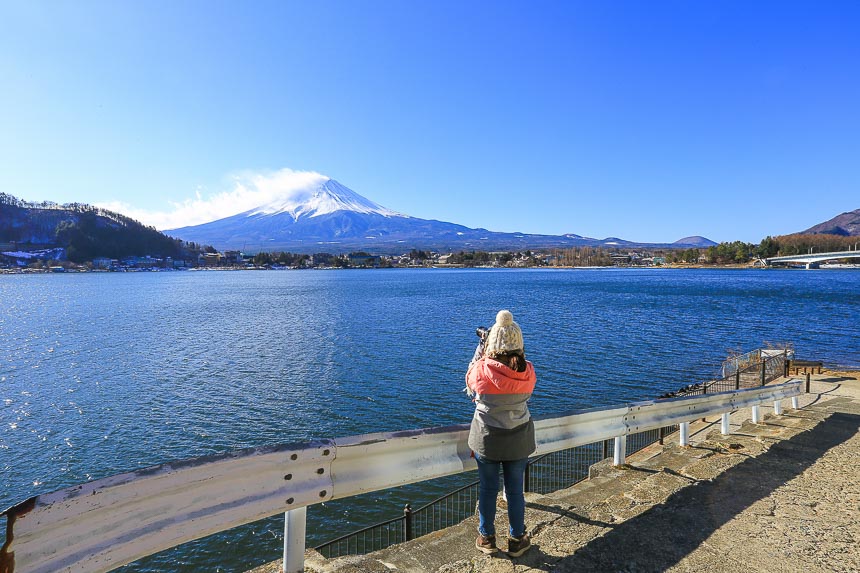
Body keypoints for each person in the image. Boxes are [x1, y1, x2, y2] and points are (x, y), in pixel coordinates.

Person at [465, 309, 536, 557]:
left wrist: (481, 348)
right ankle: (517, 538)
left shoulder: (482, 370)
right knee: (515, 490)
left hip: (487, 439)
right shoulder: (528, 372)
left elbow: (470, 377)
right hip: (519, 437)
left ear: (492, 343)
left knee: (487, 489)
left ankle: (487, 538)